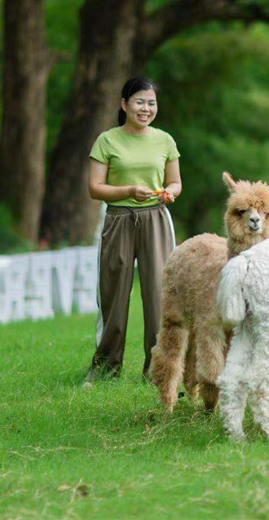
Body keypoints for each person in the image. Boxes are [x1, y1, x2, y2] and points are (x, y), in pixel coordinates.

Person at [83, 77, 182, 386]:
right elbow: (94, 188)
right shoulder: (107, 140)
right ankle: (105, 368)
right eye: (140, 101)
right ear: (124, 104)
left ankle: (159, 372)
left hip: (156, 219)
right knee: (113, 294)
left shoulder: (164, 140)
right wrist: (127, 190)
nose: (146, 108)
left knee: (159, 296)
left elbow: (175, 182)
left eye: (151, 103)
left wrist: (170, 192)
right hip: (119, 219)